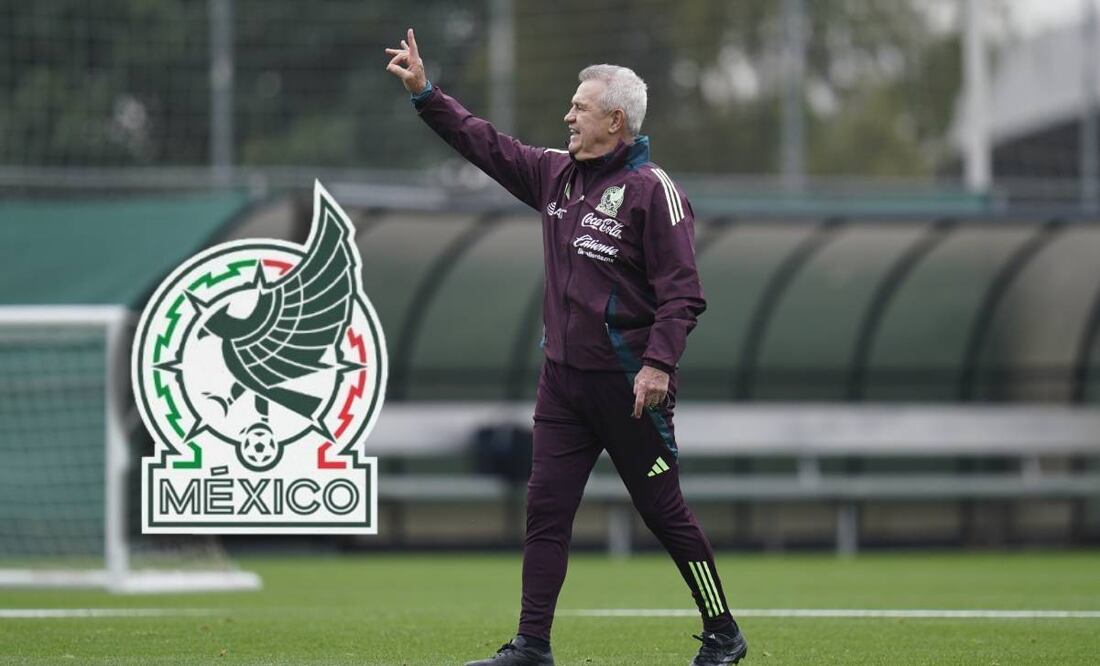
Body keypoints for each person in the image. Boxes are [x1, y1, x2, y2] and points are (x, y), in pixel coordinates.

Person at [386, 28, 748, 666]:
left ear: (616, 120)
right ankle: (532, 645)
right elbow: (485, 143)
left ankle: (723, 632)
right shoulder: (556, 175)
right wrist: (426, 93)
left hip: (630, 388)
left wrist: (659, 363)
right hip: (563, 384)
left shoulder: (652, 191)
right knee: (545, 512)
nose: (567, 117)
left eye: (579, 108)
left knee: (664, 513)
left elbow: (683, 294)